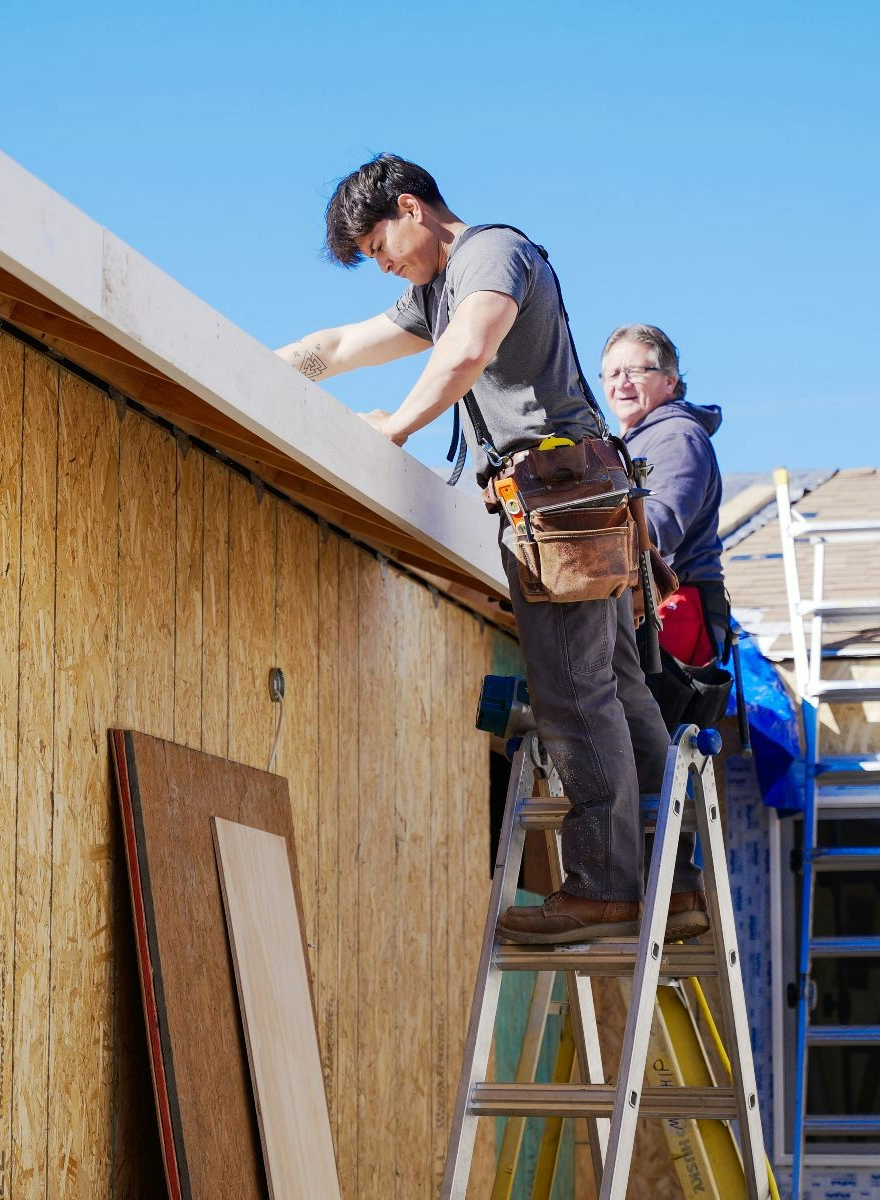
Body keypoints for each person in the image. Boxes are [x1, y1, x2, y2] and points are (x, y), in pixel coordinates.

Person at [277, 155, 708, 943]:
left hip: (561, 506)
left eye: (382, 246)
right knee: (614, 685)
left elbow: (468, 350)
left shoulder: (489, 255)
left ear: (412, 207)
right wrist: (273, 373)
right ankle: (670, 887)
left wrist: (396, 427)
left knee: (575, 696)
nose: (385, 266)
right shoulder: (436, 289)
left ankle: (608, 887)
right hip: (576, 500)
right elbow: (344, 343)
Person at [600, 325, 732, 727]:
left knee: (643, 748)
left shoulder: (676, 437)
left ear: (670, 381)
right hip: (650, 604)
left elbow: (658, 526)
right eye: (612, 373)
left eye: (636, 371)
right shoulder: (634, 442)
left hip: (674, 608)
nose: (622, 383)